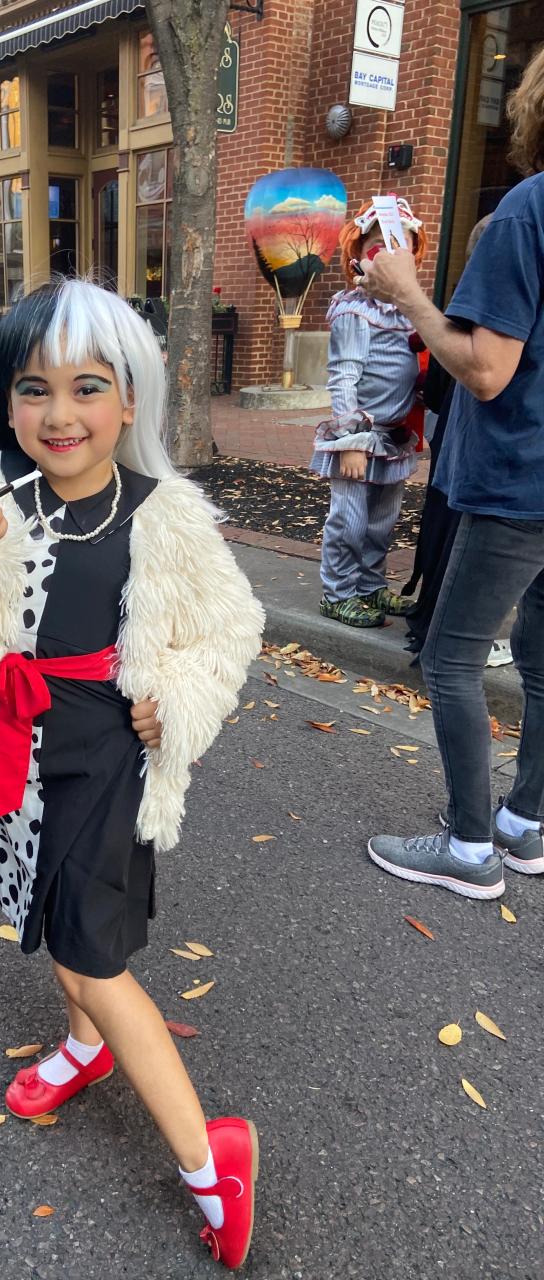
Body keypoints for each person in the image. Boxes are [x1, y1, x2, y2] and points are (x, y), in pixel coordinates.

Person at [0, 279, 265, 1269]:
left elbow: (231, 631)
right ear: (5, 401)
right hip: (15, 747)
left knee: (93, 954)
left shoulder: (165, 517)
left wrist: (176, 692)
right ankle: (86, 1043)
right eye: (33, 388)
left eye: (88, 386)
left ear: (129, 399)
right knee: (50, 913)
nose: (60, 414)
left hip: (109, 755)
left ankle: (207, 1157)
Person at [363, 44, 544, 898]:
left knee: (451, 658)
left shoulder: (523, 214)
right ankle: (524, 823)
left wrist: (406, 291)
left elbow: (484, 369)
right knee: (542, 664)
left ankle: (470, 848)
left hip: (520, 485)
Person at [309, 198, 428, 628]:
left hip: (394, 437)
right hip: (361, 438)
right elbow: (343, 378)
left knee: (382, 520)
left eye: (401, 249)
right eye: (378, 248)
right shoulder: (355, 310)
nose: (389, 258)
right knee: (350, 519)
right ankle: (337, 592)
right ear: (357, 257)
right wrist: (351, 443)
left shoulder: (409, 311)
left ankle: (369, 585)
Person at [401, 216, 511, 669]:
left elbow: (442, 389)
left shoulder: (462, 310)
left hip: (462, 449)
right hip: (488, 459)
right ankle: (447, 636)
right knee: (452, 662)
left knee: (446, 526)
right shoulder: (495, 308)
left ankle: (434, 624)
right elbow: (482, 377)